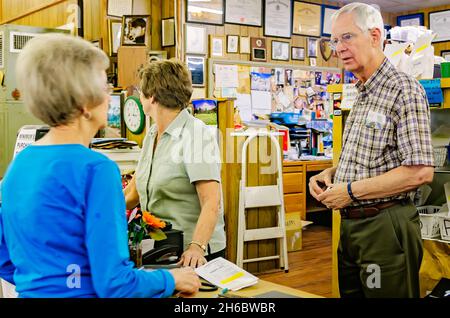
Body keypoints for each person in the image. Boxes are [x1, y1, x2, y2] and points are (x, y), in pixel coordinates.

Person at [0, 33, 200, 298]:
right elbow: (116, 284)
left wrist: (51, 282)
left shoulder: (18, 166)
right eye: (104, 86)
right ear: (84, 102)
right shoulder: (96, 169)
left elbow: (6, 260)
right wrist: (171, 279)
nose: (109, 96)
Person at [309, 3, 434, 298]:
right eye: (335, 40)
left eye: (348, 37)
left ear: (375, 36)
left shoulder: (403, 89)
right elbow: (369, 159)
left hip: (384, 227)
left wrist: (349, 191)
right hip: (352, 227)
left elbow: (420, 172)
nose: (339, 48)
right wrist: (330, 174)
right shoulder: (362, 92)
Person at [124, 59, 226, 268]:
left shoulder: (196, 135)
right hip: (160, 244)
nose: (139, 97)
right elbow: (134, 192)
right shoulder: (152, 135)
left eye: (141, 92)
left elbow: (211, 202)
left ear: (151, 97)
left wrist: (196, 247)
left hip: (193, 253)